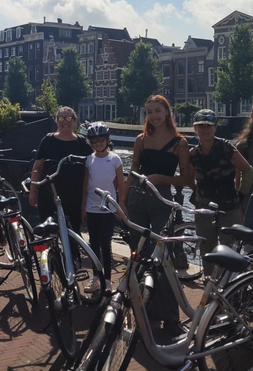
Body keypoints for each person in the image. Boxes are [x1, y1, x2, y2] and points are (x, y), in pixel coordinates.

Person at [122, 95, 190, 333]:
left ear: (167, 112)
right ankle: (140, 309)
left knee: (163, 258)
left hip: (162, 200)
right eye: (149, 112)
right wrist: (123, 200)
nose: (153, 116)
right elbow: (133, 171)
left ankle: (171, 316)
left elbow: (187, 179)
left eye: (158, 111)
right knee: (138, 255)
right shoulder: (141, 139)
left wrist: (162, 178)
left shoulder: (179, 143)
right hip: (137, 199)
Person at [189, 109, 253, 273]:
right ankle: (210, 291)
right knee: (207, 251)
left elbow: (249, 171)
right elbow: (189, 178)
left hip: (228, 207)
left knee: (229, 251)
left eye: (209, 126)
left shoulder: (226, 148)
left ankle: (229, 291)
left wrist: (240, 195)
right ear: (195, 128)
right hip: (203, 209)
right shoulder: (193, 153)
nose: (204, 130)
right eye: (201, 126)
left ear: (215, 128)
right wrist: (199, 192)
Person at [29, 106, 93, 232]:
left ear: (75, 121)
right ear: (56, 121)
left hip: (74, 197)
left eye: (69, 118)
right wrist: (32, 191)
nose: (65, 122)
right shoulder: (48, 140)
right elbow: (37, 167)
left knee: (73, 233)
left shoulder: (82, 143)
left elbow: (94, 167)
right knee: (48, 233)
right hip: (48, 194)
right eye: (61, 118)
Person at [80, 122, 124, 293]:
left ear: (107, 140)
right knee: (93, 243)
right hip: (91, 207)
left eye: (101, 140)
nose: (98, 144)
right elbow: (85, 184)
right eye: (94, 141)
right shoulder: (89, 160)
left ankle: (107, 280)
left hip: (108, 209)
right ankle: (96, 277)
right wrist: (83, 207)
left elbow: (121, 183)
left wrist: (120, 205)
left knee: (106, 243)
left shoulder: (114, 159)